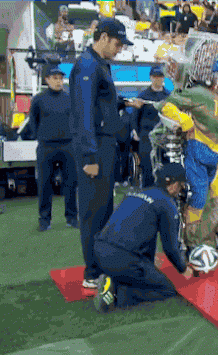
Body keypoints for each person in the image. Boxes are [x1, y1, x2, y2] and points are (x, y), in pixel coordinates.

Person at [144, 54, 218, 256]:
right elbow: (165, 104)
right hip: (197, 153)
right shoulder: (199, 94)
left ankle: (210, 242)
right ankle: (192, 244)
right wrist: (184, 120)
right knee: (199, 197)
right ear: (217, 75)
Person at [69, 19, 136, 289]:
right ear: (104, 37)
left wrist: (123, 102)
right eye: (118, 43)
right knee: (93, 212)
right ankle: (92, 272)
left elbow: (100, 104)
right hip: (95, 147)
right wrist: (89, 157)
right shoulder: (87, 65)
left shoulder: (98, 64)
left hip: (104, 146)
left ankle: (101, 264)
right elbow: (82, 114)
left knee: (105, 209)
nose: (120, 49)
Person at [92, 163, 194, 313]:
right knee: (167, 290)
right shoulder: (167, 204)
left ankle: (113, 280)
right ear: (172, 184)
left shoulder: (135, 193)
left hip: (100, 251)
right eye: (180, 185)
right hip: (123, 259)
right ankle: (119, 295)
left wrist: (149, 264)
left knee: (139, 274)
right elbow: (170, 248)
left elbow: (142, 233)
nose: (181, 190)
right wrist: (184, 269)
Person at [28, 65, 78, 232]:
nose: (58, 81)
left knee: (71, 183)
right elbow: (33, 121)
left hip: (68, 146)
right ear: (47, 80)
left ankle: (71, 217)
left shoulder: (70, 98)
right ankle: (44, 219)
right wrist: (41, 136)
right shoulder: (38, 99)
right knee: (44, 184)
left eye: (60, 78)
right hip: (46, 147)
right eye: (55, 78)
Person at [133, 65, 171, 188]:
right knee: (147, 167)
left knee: (165, 168)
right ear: (150, 77)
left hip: (164, 136)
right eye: (155, 76)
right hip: (146, 137)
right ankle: (147, 196)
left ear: (164, 77)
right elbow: (135, 116)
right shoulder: (143, 95)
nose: (158, 79)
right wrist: (136, 132)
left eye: (160, 76)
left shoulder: (169, 96)